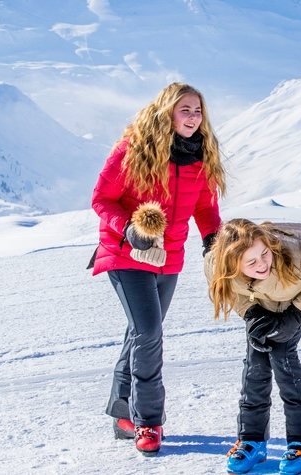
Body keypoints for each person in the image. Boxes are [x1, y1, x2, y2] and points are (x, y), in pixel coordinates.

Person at [90, 82, 225, 455]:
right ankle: (148, 422)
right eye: (185, 110)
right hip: (125, 252)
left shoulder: (201, 156)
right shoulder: (133, 150)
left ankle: (122, 410)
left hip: (169, 257)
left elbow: (205, 207)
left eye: (198, 111)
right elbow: (102, 199)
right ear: (167, 111)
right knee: (149, 331)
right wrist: (130, 229)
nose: (193, 117)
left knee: (140, 331)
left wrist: (213, 239)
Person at [205, 219, 301, 474]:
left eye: (264, 254)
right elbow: (228, 289)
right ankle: (252, 439)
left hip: (297, 291)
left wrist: (297, 315)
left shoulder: (299, 256)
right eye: (251, 262)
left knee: (282, 356)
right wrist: (251, 314)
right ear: (232, 265)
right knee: (256, 360)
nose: (262, 263)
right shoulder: (215, 265)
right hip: (261, 300)